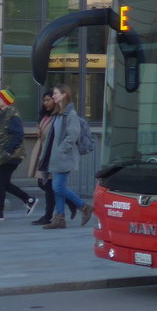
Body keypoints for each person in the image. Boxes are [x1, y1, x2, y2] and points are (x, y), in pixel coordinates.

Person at [39, 84, 93, 229]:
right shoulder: (58, 113)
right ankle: (60, 218)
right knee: (58, 187)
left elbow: (72, 134)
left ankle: (84, 207)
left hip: (63, 157)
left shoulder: (70, 114)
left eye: (56, 93)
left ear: (64, 95)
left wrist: (60, 150)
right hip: (56, 158)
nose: (54, 95)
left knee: (57, 187)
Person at [0, 89, 36, 221]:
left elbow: (18, 135)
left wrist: (8, 151)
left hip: (10, 156)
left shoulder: (12, 115)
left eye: (0, 99)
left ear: (6, 101)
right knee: (3, 183)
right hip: (4, 155)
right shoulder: (2, 114)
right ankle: (28, 200)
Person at [26, 92, 60, 226]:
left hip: (51, 154)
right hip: (42, 151)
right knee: (45, 184)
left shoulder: (58, 116)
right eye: (44, 100)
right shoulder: (45, 115)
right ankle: (74, 204)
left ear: (55, 100)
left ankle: (48, 215)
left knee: (48, 185)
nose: (45, 103)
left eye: (48, 100)